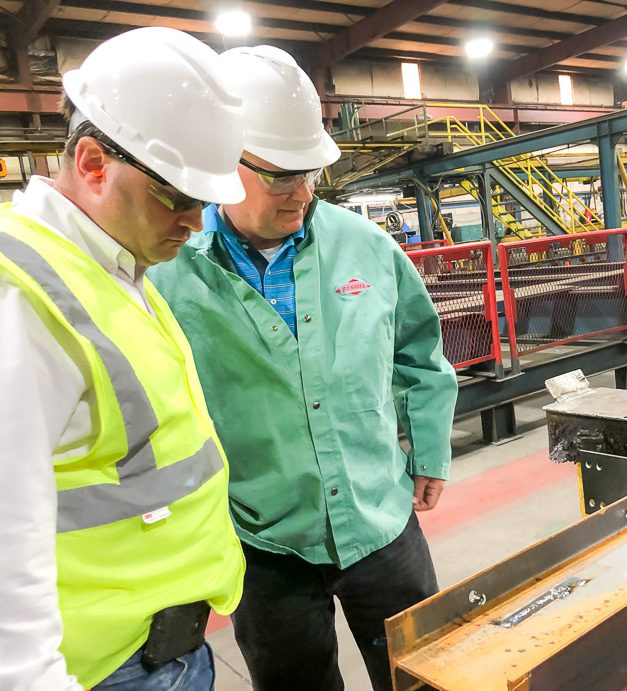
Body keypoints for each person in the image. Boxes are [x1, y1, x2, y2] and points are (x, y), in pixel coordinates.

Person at [148, 45, 458, 691]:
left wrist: (428, 452)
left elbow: (419, 356)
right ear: (223, 163)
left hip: (379, 515)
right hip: (262, 540)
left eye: (312, 173)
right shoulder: (168, 271)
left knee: (426, 673)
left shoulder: (366, 246)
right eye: (281, 176)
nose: (301, 194)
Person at [0, 28, 248, 690]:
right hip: (102, 671)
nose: (195, 222)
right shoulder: (21, 297)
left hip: (163, 652)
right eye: (177, 196)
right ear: (92, 163)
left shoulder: (111, 268)